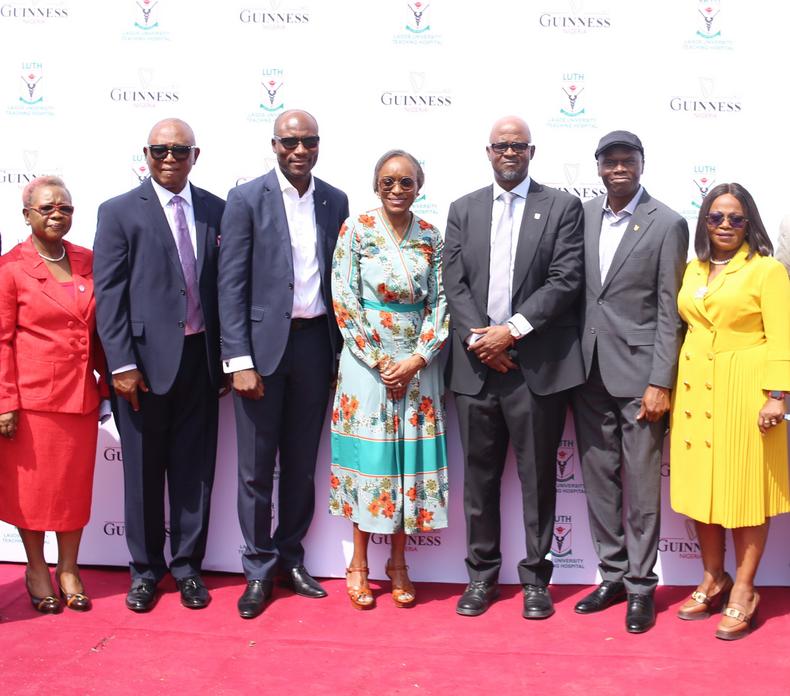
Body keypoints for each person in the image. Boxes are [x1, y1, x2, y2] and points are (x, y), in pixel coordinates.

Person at [443, 115, 585, 619]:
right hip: (476, 368)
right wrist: (482, 340)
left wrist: (513, 331)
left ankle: (535, 581)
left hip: (536, 369)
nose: (509, 152)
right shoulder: (463, 209)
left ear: (531, 151)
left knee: (539, 480)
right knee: (479, 480)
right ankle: (481, 578)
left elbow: (566, 280)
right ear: (488, 151)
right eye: (501, 145)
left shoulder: (563, 207)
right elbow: (453, 282)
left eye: (518, 145)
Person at [218, 109, 349, 619]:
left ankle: (291, 559)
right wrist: (238, 359)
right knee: (254, 470)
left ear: (318, 144)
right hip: (260, 353)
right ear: (274, 145)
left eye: (308, 141)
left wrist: (341, 353)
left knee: (300, 465)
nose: (300, 150)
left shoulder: (334, 199)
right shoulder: (247, 198)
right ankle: (257, 569)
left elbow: (340, 280)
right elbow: (229, 285)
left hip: (317, 346)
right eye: (290, 141)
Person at [93, 118, 225, 612]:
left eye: (179, 150)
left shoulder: (216, 208)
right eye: (159, 150)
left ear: (196, 155)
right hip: (141, 367)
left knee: (195, 472)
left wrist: (228, 360)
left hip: (200, 361)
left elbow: (224, 290)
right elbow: (109, 297)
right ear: (145, 155)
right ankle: (145, 571)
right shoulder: (119, 211)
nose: (169, 158)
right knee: (144, 474)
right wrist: (121, 363)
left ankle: (188, 568)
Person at [571, 130, 689, 633]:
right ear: (598, 167)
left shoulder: (668, 223)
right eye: (610, 162)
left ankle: (642, 584)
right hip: (586, 371)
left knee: (641, 487)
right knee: (599, 482)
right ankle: (613, 574)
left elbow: (670, 311)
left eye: (628, 161)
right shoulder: (583, 215)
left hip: (641, 378)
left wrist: (661, 379)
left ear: (642, 164)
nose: (619, 169)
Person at [329, 150, 449, 609]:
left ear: (420, 185)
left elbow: (441, 304)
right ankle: (358, 564)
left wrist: (417, 358)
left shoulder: (431, 237)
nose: (396, 190)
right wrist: (380, 361)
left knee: (406, 465)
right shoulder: (355, 229)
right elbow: (344, 298)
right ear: (374, 185)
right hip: (365, 367)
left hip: (419, 368)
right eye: (387, 182)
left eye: (406, 182)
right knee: (370, 463)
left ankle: (399, 564)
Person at [670, 183, 790, 640]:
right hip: (695, 390)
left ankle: (743, 587)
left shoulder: (767, 271)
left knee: (745, 492)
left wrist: (776, 395)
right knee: (702, 488)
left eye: (735, 218)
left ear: (749, 223)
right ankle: (712, 576)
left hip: (746, 390)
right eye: (716, 217)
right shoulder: (693, 269)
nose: (725, 225)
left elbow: (781, 335)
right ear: (704, 221)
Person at [0, 176, 107, 613]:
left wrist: (113, 377)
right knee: (33, 492)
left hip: (80, 397)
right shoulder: (10, 269)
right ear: (26, 215)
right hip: (32, 402)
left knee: (72, 489)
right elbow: (1, 340)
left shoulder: (88, 260)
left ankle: (69, 567)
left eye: (64, 207)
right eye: (46, 208)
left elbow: (100, 329)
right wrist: (5, 402)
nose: (56, 214)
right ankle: (36, 567)